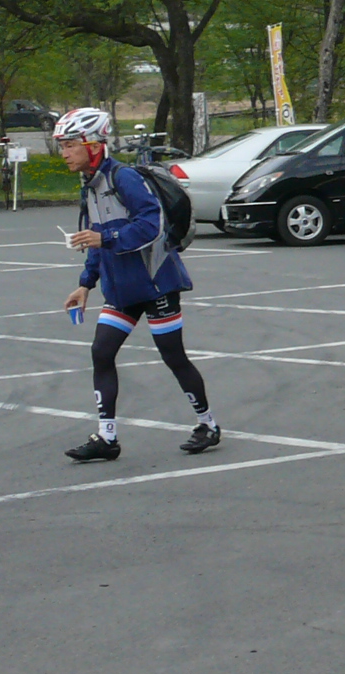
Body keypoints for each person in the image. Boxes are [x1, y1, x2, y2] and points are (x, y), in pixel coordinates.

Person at [54, 106, 221, 463]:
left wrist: (105, 238)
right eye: (62, 146)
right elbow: (94, 238)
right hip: (123, 289)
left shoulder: (124, 178)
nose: (64, 153)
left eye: (69, 145)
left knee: (173, 356)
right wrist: (85, 284)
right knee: (101, 352)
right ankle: (107, 437)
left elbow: (151, 226)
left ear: (93, 145)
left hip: (156, 283)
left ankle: (208, 424)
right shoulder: (90, 186)